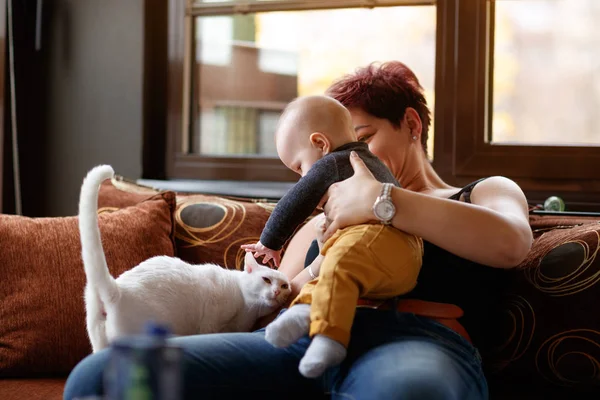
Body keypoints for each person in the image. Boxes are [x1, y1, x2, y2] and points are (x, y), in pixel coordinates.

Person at [63, 61, 532, 400]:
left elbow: (511, 243)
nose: (339, 166)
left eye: (362, 139)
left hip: (418, 342)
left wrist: (382, 203)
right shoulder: (319, 220)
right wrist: (262, 286)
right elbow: (277, 306)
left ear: (410, 124)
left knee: (410, 392)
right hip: (297, 345)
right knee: (105, 377)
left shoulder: (482, 192)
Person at [241, 95, 423, 378]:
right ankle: (306, 311)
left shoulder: (336, 162)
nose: (302, 177)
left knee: (341, 261)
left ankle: (330, 336)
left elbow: (295, 201)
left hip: (382, 240)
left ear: (320, 144)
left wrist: (270, 242)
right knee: (333, 268)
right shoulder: (370, 163)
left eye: (300, 167)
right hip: (395, 261)